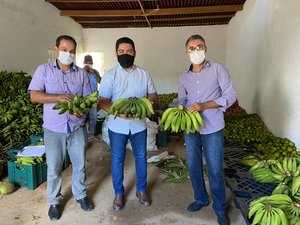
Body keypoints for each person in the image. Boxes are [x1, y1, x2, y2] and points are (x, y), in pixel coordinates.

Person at [28, 35, 94, 221]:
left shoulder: (81, 74)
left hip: (76, 128)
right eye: (65, 50)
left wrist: (83, 111)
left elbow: (87, 99)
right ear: (56, 49)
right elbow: (34, 96)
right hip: (53, 128)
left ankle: (81, 195)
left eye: (72, 51)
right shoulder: (44, 70)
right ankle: (54, 201)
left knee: (79, 164)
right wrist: (58, 97)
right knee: (54, 167)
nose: (68, 54)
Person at [178, 34, 236, 225]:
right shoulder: (184, 77)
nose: (196, 51)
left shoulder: (218, 69)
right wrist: (180, 106)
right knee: (194, 167)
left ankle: (219, 208)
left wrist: (205, 105)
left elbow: (230, 95)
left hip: (212, 127)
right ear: (187, 52)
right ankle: (201, 199)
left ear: (205, 48)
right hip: (191, 129)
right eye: (192, 48)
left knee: (214, 169)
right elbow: (182, 99)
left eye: (199, 46)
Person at [98, 37, 158, 211]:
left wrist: (148, 103)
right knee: (117, 160)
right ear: (116, 53)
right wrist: (119, 113)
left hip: (139, 125)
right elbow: (103, 100)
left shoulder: (144, 74)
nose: (125, 54)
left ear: (135, 53)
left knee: (141, 158)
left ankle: (141, 190)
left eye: (129, 51)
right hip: (117, 126)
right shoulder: (110, 75)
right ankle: (119, 193)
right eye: (121, 51)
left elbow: (153, 94)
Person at [83, 55, 101, 140]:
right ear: (84, 63)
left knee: (93, 117)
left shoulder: (95, 72)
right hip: (83, 98)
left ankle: (91, 134)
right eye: (87, 63)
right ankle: (83, 135)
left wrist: (93, 73)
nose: (88, 65)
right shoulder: (81, 71)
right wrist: (84, 71)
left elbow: (100, 81)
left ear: (92, 64)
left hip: (94, 98)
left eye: (90, 63)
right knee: (83, 117)